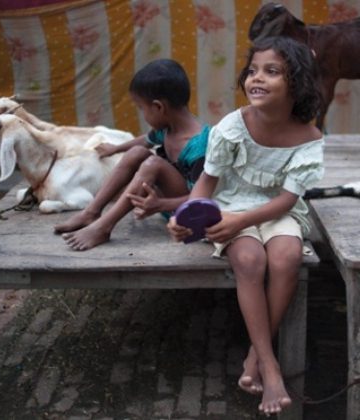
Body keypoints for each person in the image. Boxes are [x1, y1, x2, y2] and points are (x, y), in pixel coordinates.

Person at [167, 36, 324, 415]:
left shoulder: (310, 138)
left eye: (272, 72)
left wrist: (244, 219)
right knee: (251, 260)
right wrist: (182, 216)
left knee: (286, 256)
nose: (257, 78)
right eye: (253, 70)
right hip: (231, 207)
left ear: (297, 82)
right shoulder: (232, 127)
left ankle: (257, 354)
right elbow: (206, 183)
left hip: (274, 210)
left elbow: (286, 201)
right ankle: (271, 367)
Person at [54, 58, 210, 250]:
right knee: (137, 152)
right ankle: (91, 212)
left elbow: (205, 197)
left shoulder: (199, 147)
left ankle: (103, 227)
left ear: (158, 107)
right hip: (163, 203)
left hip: (187, 214)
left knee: (153, 163)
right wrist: (116, 149)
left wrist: (162, 204)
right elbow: (145, 140)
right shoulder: (168, 126)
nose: (142, 114)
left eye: (141, 108)